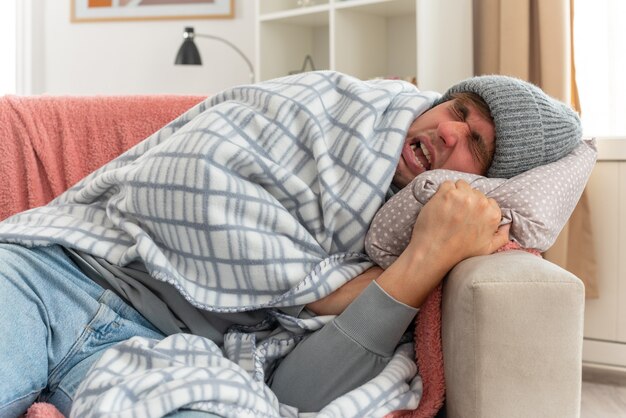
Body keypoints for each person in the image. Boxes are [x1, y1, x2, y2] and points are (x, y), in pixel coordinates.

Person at [0, 74, 581, 417]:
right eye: (458, 109)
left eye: (475, 145)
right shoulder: (334, 110)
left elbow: (298, 394)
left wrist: (417, 266)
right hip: (57, 273)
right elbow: (180, 181)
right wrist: (332, 291)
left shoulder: (421, 245)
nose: (449, 130)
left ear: (484, 186)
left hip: (169, 353)